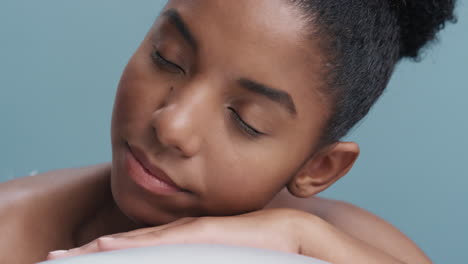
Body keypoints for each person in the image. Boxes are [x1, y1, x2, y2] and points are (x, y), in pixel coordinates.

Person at [0, 0, 456, 263]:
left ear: (318, 167)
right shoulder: (11, 234)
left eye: (246, 119)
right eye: (168, 57)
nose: (172, 125)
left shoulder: (348, 242)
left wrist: (302, 236)